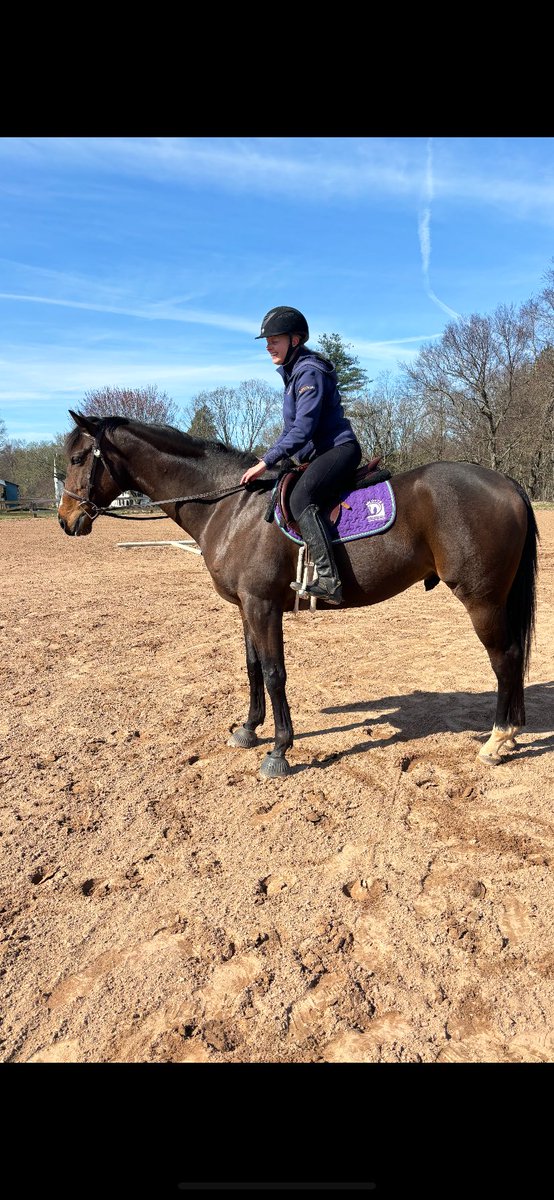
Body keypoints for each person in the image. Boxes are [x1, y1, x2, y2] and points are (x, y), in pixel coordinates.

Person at [240, 306, 362, 606]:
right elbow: (289, 431)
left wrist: (266, 461)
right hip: (318, 454)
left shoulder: (310, 372)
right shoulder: (294, 375)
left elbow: (303, 429)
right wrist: (267, 459)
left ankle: (330, 580)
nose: (268, 345)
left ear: (295, 340)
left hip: (338, 450)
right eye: (266, 340)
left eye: (274, 339)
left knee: (300, 499)